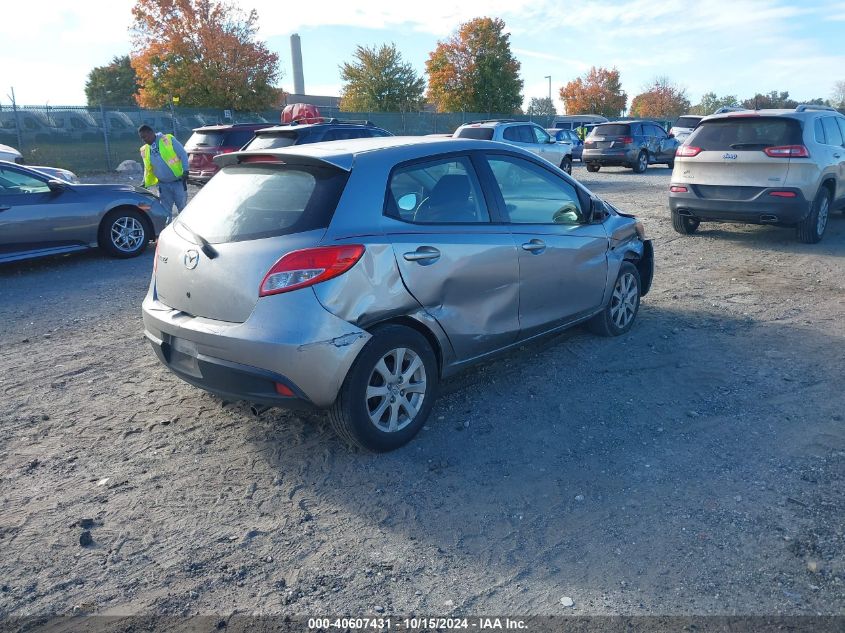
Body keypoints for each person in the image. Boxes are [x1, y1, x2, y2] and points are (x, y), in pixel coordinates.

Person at [138, 124, 189, 219]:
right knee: (165, 212)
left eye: (145, 137)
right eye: (142, 138)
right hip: (163, 185)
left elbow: (183, 154)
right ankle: (167, 230)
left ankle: (184, 230)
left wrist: (186, 170)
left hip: (178, 182)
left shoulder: (168, 140)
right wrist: (144, 182)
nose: (144, 140)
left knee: (182, 210)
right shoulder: (145, 150)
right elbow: (147, 168)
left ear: (151, 133)